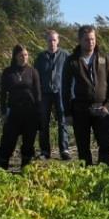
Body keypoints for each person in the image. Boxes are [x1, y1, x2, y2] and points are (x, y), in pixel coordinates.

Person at [63, 25, 109, 165]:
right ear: (80, 40)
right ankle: (86, 175)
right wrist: (67, 113)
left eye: (93, 39)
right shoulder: (71, 61)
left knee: (105, 143)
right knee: (82, 146)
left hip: (102, 108)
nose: (91, 42)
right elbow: (65, 88)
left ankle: (103, 172)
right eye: (87, 39)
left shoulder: (104, 58)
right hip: (80, 109)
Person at [0, 44, 42, 169]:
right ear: (15, 56)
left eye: (26, 55)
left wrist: (39, 114)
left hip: (30, 112)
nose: (24, 57)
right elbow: (2, 94)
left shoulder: (33, 72)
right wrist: (4, 111)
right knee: (8, 141)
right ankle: (1, 168)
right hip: (14, 112)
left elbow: (38, 94)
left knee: (28, 143)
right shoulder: (8, 72)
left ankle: (25, 168)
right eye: (21, 55)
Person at [35, 29, 71, 160]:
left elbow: (70, 76)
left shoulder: (66, 55)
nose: (52, 43)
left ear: (58, 41)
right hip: (45, 93)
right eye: (49, 40)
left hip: (61, 92)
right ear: (46, 41)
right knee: (43, 123)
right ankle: (45, 151)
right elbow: (36, 76)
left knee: (63, 121)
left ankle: (64, 150)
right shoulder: (40, 57)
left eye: (54, 40)